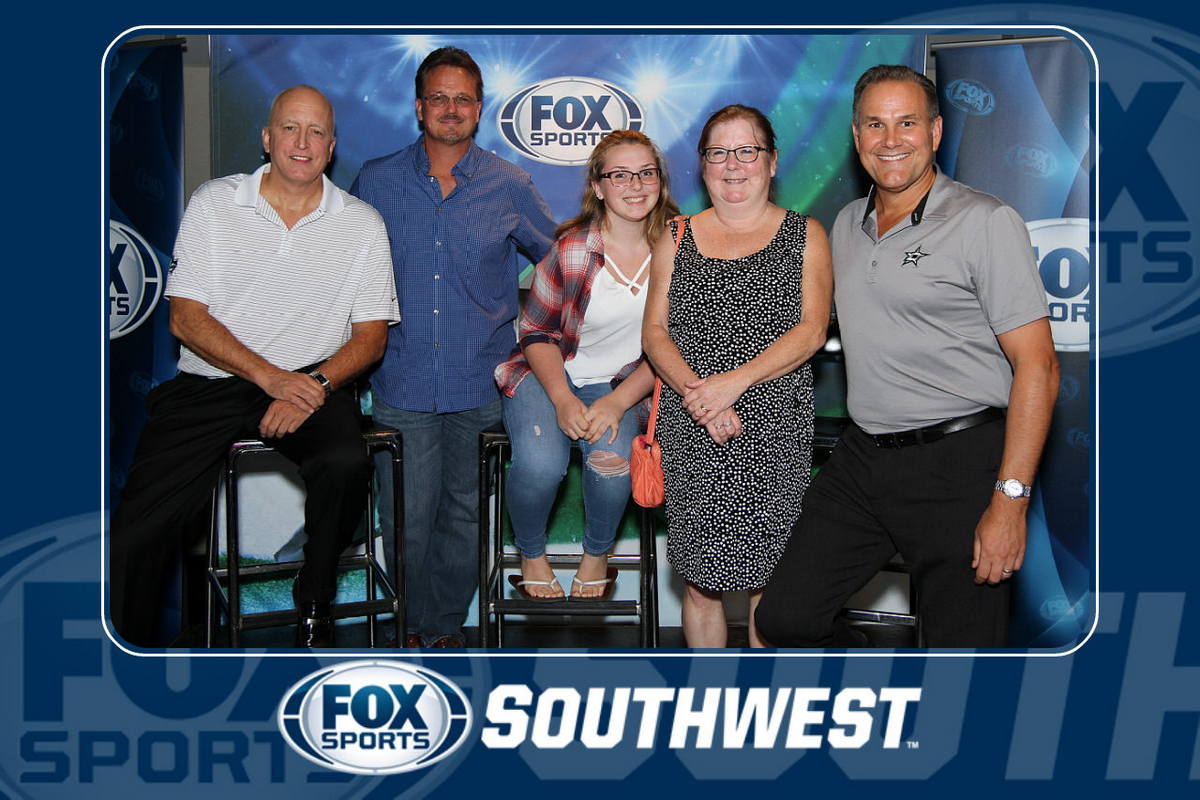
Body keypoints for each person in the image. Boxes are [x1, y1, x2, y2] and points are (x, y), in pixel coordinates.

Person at [756, 65, 1059, 649]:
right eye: (875, 124)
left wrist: (1010, 501)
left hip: (959, 461)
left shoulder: (984, 221)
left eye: (907, 123)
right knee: (785, 618)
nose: (890, 139)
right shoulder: (847, 223)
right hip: (863, 458)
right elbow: (807, 326)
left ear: (935, 131)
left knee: (960, 652)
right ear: (856, 136)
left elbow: (1039, 369)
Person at [109, 85, 400, 649]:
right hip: (212, 380)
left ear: (332, 147)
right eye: (290, 128)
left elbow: (370, 338)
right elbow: (186, 318)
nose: (302, 142)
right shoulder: (215, 202)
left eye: (316, 132)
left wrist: (313, 384)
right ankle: (126, 645)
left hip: (312, 380)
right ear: (267, 139)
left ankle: (314, 601)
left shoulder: (362, 223)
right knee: (140, 528)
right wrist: (271, 379)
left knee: (345, 463)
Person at [350, 47, 556, 648]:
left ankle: (443, 630)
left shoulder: (509, 184)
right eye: (438, 97)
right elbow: (344, 268)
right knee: (407, 516)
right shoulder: (376, 180)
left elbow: (562, 263)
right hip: (401, 378)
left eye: (463, 99)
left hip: (479, 380)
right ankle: (408, 629)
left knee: (465, 514)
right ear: (419, 107)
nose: (451, 108)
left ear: (479, 109)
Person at [642, 105, 832, 648]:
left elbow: (812, 331)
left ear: (771, 162)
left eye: (747, 151)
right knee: (699, 583)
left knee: (769, 583)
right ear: (702, 165)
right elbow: (654, 332)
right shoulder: (674, 236)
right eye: (718, 153)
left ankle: (761, 695)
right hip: (692, 428)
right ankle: (711, 695)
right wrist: (702, 398)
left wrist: (732, 385)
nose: (732, 165)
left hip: (773, 430)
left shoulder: (806, 234)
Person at [494, 131, 676, 600]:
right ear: (598, 186)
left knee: (610, 462)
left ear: (660, 181)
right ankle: (531, 554)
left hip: (624, 383)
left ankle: (597, 555)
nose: (635, 185)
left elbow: (676, 346)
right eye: (620, 175)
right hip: (548, 374)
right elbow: (536, 333)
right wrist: (561, 399)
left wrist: (617, 402)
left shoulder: (680, 249)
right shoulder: (572, 249)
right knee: (541, 464)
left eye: (646, 173)